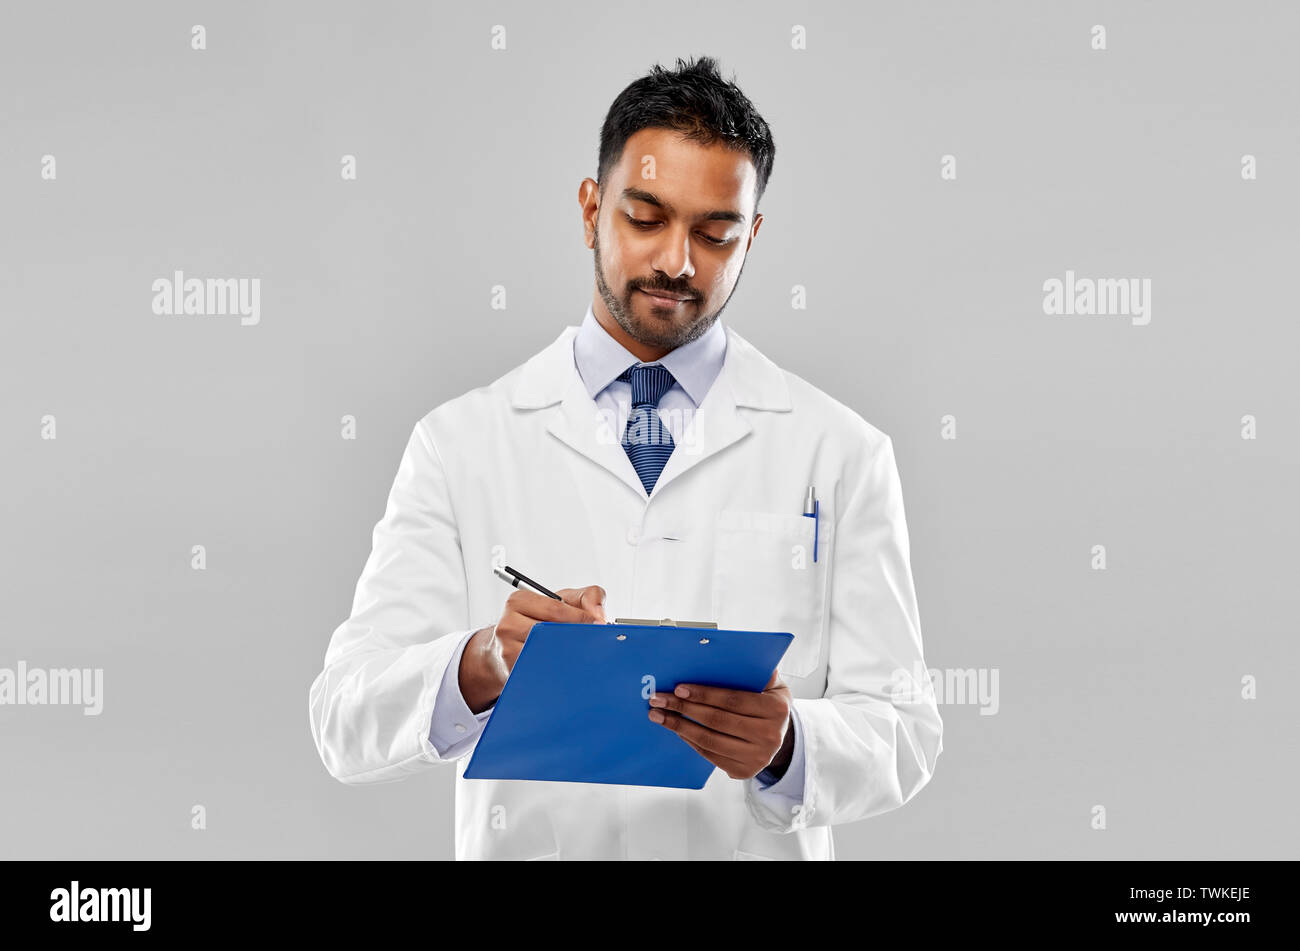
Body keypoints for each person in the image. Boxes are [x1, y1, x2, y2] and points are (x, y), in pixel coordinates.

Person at [308, 55, 942, 860]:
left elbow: (907, 726)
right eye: (645, 217)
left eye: (715, 234)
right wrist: (482, 663)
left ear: (751, 238)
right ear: (590, 207)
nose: (677, 261)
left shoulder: (840, 450)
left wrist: (788, 746)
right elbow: (343, 716)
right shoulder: (460, 443)